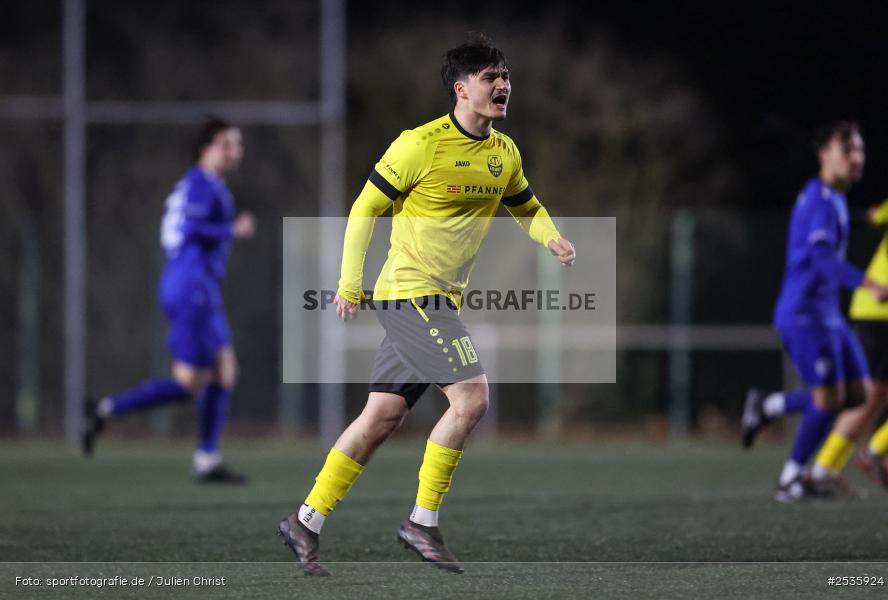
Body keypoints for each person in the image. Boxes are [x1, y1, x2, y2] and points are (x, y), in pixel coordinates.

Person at [277, 34, 576, 576]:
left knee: (380, 418)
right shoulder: (420, 144)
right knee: (472, 399)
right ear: (462, 90)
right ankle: (422, 521)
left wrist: (550, 236)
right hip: (410, 295)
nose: (503, 84)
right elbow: (364, 208)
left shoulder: (503, 153)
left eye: (505, 75)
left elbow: (526, 207)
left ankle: (305, 521)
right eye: (491, 77)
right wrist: (350, 284)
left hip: (437, 301)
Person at [82, 118, 256, 484]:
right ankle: (108, 410)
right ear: (205, 149)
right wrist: (232, 229)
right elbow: (189, 228)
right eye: (226, 144)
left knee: (221, 372)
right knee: (190, 382)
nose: (234, 151)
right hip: (191, 287)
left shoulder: (203, 184)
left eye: (236, 144)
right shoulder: (202, 185)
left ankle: (204, 456)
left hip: (197, 287)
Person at [740, 121, 888, 502]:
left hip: (830, 317)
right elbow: (821, 258)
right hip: (804, 314)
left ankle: (768, 405)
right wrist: (868, 283)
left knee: (858, 394)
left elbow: (851, 222)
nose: (857, 158)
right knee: (828, 399)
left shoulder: (837, 200)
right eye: (848, 151)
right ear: (825, 155)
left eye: (860, 150)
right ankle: (792, 479)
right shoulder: (819, 199)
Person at [811, 186, 888, 495]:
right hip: (886, 309)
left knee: (875, 394)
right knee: (871, 394)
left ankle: (824, 467)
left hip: (881, 310)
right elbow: (882, 214)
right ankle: (874, 452)